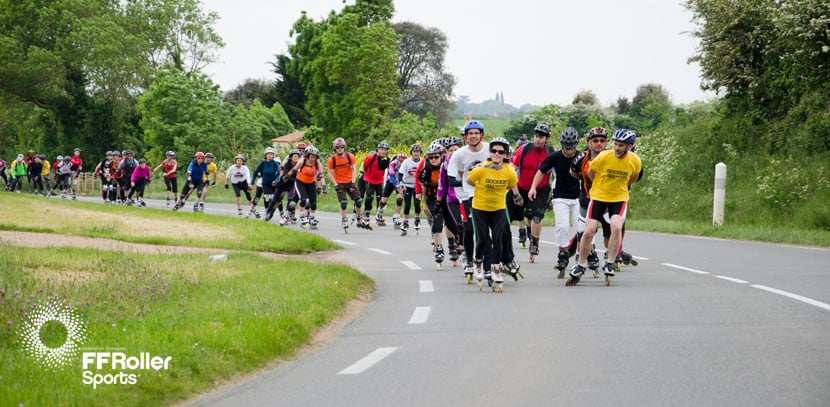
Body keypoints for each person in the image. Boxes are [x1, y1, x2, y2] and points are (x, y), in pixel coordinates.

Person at [567, 129, 642, 287]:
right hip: (598, 197)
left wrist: (620, 187)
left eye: (620, 145)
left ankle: (610, 261)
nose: (616, 148)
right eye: (615, 144)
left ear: (629, 146)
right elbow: (591, 173)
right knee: (588, 231)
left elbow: (633, 178)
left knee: (616, 227)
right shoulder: (604, 156)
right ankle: (580, 265)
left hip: (619, 199)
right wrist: (600, 187)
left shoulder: (635, 160)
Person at [466, 137, 521, 292]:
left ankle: (496, 269)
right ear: (490, 153)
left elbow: (511, 184)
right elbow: (470, 181)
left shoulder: (509, 171)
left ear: (505, 154)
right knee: (483, 239)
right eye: (494, 151)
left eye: (500, 152)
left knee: (498, 239)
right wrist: (480, 188)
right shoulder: (481, 168)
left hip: (498, 208)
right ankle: (478, 262)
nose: (497, 154)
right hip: (480, 207)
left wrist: (516, 196)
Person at [530, 127, 582, 277]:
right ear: (561, 145)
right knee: (563, 226)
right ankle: (562, 254)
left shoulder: (581, 157)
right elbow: (541, 172)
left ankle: (582, 255)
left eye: (571, 147)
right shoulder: (554, 157)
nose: (569, 151)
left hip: (578, 197)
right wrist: (533, 188)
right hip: (560, 197)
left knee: (581, 228)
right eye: (566, 147)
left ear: (576, 145)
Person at [447, 120, 491, 283]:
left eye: (476, 133)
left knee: (485, 231)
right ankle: (469, 260)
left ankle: (490, 264)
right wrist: (470, 181)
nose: (473, 136)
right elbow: (452, 179)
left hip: (487, 194)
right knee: (469, 229)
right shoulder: (459, 154)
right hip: (465, 195)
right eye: (470, 134)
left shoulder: (489, 149)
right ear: (465, 137)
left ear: (482, 135)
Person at [569, 127, 611, 277]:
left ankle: (608, 257)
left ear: (606, 143)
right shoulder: (582, 158)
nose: (599, 144)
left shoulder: (612, 157)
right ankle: (580, 262)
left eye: (602, 141)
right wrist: (584, 180)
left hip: (607, 200)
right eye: (595, 141)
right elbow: (573, 172)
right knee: (584, 233)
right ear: (589, 142)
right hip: (587, 199)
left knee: (609, 230)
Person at [511, 123, 555, 261]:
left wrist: (554, 195)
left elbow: (555, 174)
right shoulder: (523, 149)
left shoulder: (550, 152)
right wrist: (513, 190)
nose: (538, 139)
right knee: (510, 214)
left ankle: (534, 243)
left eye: (541, 137)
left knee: (536, 216)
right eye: (536, 136)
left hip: (541, 188)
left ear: (547, 139)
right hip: (522, 186)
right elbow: (511, 168)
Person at [327, 138, 366, 231]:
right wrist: (335, 184)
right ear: (335, 148)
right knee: (343, 202)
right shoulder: (332, 159)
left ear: (344, 147)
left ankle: (359, 216)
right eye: (337, 147)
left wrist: (353, 182)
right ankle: (344, 219)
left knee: (358, 201)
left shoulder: (349, 156)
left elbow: (354, 170)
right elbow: (329, 173)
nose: (340, 149)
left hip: (349, 182)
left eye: (341, 147)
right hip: (339, 183)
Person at [419, 142, 447, 267]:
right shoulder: (425, 171)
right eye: (431, 158)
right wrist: (424, 204)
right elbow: (424, 187)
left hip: (447, 197)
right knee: (437, 221)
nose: (434, 160)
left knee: (453, 223)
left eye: (436, 157)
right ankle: (439, 248)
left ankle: (454, 244)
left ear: (442, 156)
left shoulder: (448, 168)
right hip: (432, 198)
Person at [289, 146, 324, 229]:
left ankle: (311, 219)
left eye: (314, 157)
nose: (312, 159)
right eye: (311, 157)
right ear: (308, 156)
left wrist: (322, 186)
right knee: (303, 200)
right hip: (300, 182)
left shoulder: (317, 163)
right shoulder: (302, 161)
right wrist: (286, 176)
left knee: (313, 203)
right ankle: (302, 218)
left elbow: (321, 175)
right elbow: (294, 170)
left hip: (311, 183)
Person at [361, 142, 391, 227]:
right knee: (369, 197)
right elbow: (365, 166)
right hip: (369, 179)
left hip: (379, 180)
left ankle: (379, 215)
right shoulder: (372, 157)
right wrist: (365, 176)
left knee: (380, 198)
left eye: (385, 150)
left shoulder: (387, 160)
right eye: (382, 149)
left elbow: (389, 169)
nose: (383, 151)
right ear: (378, 150)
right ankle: (366, 213)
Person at [397, 143, 423, 236]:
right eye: (414, 151)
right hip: (407, 185)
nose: (416, 153)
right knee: (407, 204)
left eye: (418, 151)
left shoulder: (423, 162)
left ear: (420, 152)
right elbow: (400, 174)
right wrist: (401, 183)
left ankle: (417, 218)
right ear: (411, 152)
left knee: (417, 204)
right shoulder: (407, 162)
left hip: (418, 186)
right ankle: (405, 222)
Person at [250, 147, 280, 218]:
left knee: (273, 198)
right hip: (265, 183)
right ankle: (266, 212)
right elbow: (255, 173)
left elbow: (279, 173)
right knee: (267, 197)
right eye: (268, 154)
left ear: (273, 156)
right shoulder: (263, 163)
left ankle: (271, 211)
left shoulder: (275, 164)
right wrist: (252, 183)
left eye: (271, 154)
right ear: (265, 155)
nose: (269, 156)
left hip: (273, 183)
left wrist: (276, 180)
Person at [380, 153, 406, 228]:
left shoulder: (406, 165)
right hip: (390, 181)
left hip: (400, 182)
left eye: (403, 162)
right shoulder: (392, 164)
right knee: (384, 200)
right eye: (400, 161)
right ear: (397, 160)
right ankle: (380, 211)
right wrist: (397, 185)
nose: (401, 163)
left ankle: (396, 217)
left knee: (399, 199)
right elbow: (392, 176)